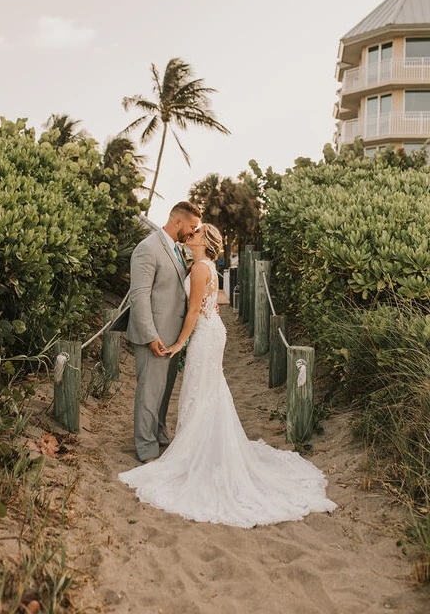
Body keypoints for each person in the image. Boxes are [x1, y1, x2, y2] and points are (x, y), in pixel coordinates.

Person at [119, 223, 337, 528]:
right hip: (212, 332)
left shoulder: (199, 269)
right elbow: (212, 305)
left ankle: (197, 452)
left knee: (200, 391)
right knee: (208, 390)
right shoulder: (205, 266)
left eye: (195, 233)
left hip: (205, 336)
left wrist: (180, 342)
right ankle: (201, 446)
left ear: (203, 240)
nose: (189, 235)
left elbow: (194, 311)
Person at [126, 201, 201, 463]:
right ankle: (146, 448)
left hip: (172, 335)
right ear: (177, 221)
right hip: (154, 335)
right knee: (149, 392)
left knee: (165, 390)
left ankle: (158, 433)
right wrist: (150, 335)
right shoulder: (147, 248)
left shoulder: (178, 249)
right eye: (192, 226)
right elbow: (139, 295)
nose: (193, 232)